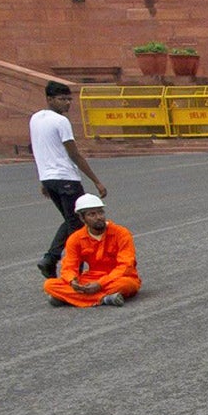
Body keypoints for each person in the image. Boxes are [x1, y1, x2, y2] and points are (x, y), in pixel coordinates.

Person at [29, 80, 107, 279]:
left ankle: (51, 258)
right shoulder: (60, 121)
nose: (67, 103)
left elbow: (40, 150)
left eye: (68, 99)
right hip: (66, 179)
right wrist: (96, 180)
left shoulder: (36, 118)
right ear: (49, 99)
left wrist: (43, 179)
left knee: (71, 220)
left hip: (50, 178)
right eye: (62, 99)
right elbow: (74, 153)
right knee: (78, 227)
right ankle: (73, 273)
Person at [43, 194, 139, 307]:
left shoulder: (121, 233)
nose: (98, 217)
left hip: (118, 278)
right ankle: (104, 299)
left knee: (126, 285)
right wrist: (72, 281)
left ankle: (68, 298)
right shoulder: (75, 238)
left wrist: (100, 284)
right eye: (92, 214)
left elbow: (126, 265)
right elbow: (69, 266)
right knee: (49, 285)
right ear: (82, 218)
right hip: (91, 278)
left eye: (100, 212)